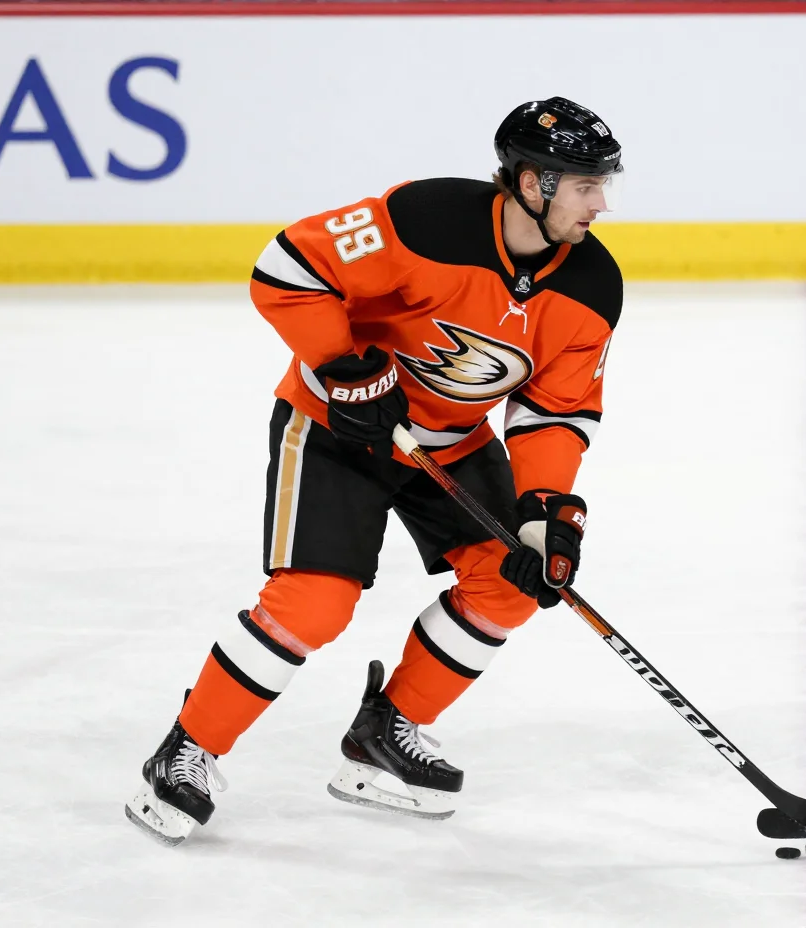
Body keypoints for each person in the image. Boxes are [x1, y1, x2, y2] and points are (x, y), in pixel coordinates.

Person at [126, 96, 623, 846]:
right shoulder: (428, 219)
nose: (601, 203)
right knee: (313, 604)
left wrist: (545, 509)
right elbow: (287, 266)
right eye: (585, 184)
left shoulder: (592, 285)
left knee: (511, 579)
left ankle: (386, 732)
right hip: (337, 429)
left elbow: (554, 411)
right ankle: (185, 751)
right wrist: (343, 365)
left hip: (448, 441)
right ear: (531, 182)